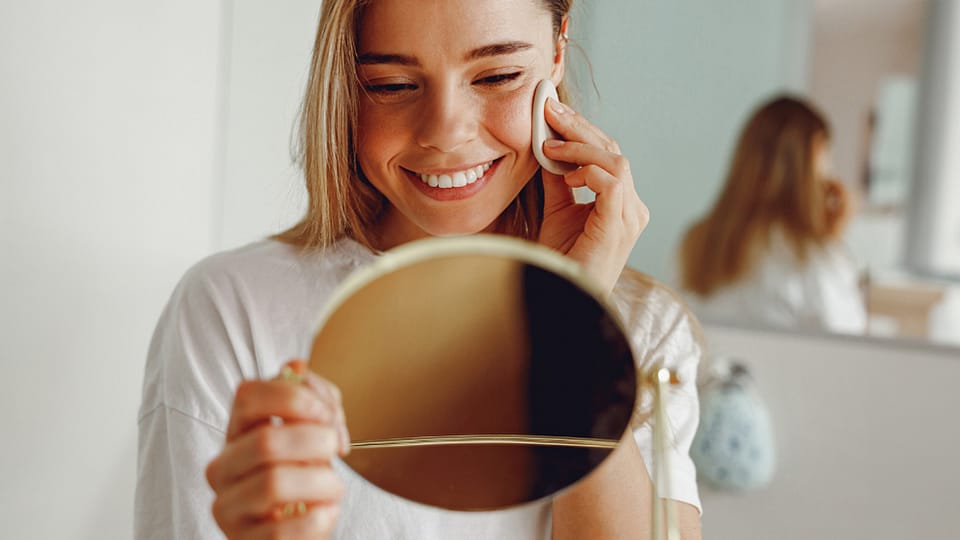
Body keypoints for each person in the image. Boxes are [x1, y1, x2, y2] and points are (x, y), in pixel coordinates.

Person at [135, 1, 704, 538]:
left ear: (557, 50)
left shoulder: (645, 328)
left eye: (497, 76)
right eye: (393, 85)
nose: (445, 132)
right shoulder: (233, 308)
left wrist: (571, 318)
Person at [678, 95, 866, 335]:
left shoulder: (695, 242)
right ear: (816, 152)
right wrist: (833, 241)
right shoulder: (815, 257)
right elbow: (849, 338)